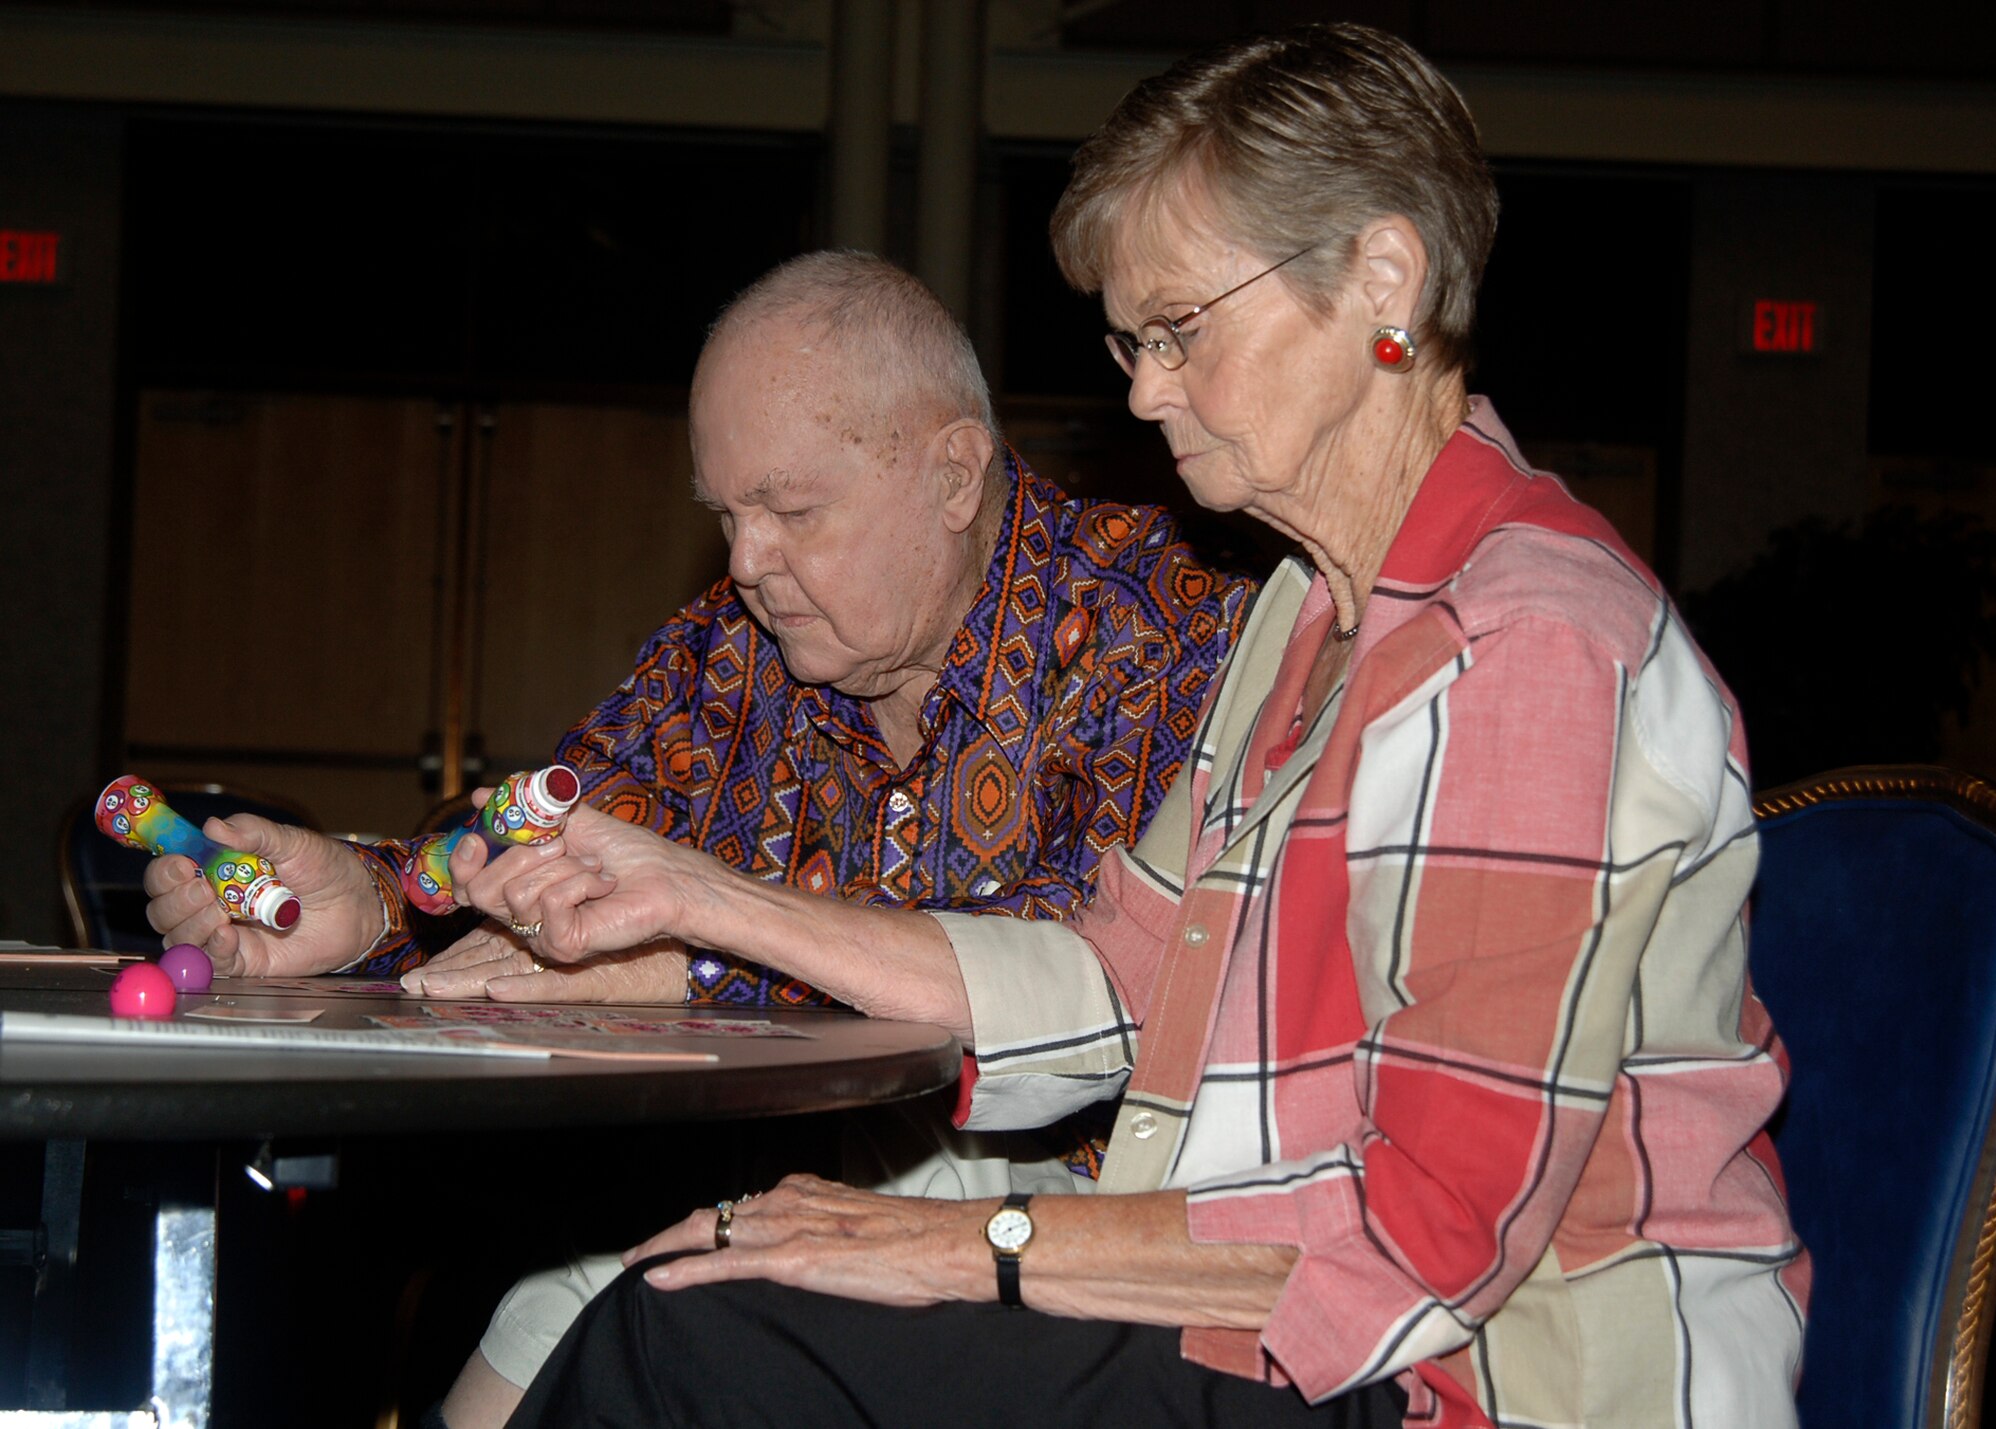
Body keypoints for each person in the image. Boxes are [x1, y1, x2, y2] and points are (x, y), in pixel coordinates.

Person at [467, 24, 1808, 1429]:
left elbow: (1424, 1230)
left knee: (701, 1347)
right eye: (1132, 340)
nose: (1145, 389)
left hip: (1498, 1385)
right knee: (686, 1303)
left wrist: (970, 1249)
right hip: (1327, 1340)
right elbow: (1115, 983)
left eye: (1181, 331)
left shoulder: (1528, 644)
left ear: (1383, 282)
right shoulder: (1309, 619)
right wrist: (705, 899)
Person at [141, 251, 1253, 1427]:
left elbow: (1078, 994)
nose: (745, 563)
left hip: (1096, 1227)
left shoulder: (1163, 619)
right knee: (570, 1273)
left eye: (791, 509)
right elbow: (556, 836)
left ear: (954, 474)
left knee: (647, 1271)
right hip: (819, 1168)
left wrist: (696, 956)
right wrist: (374, 907)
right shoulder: (734, 650)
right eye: (724, 514)